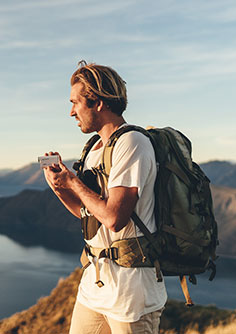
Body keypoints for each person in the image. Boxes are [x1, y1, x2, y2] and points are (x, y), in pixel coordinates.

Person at [42, 61, 167, 334]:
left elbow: (114, 218)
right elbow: (87, 213)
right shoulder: (95, 149)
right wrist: (59, 186)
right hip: (94, 286)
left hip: (132, 294)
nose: (71, 111)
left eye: (76, 102)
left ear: (98, 102)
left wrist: (73, 182)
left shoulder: (131, 143)